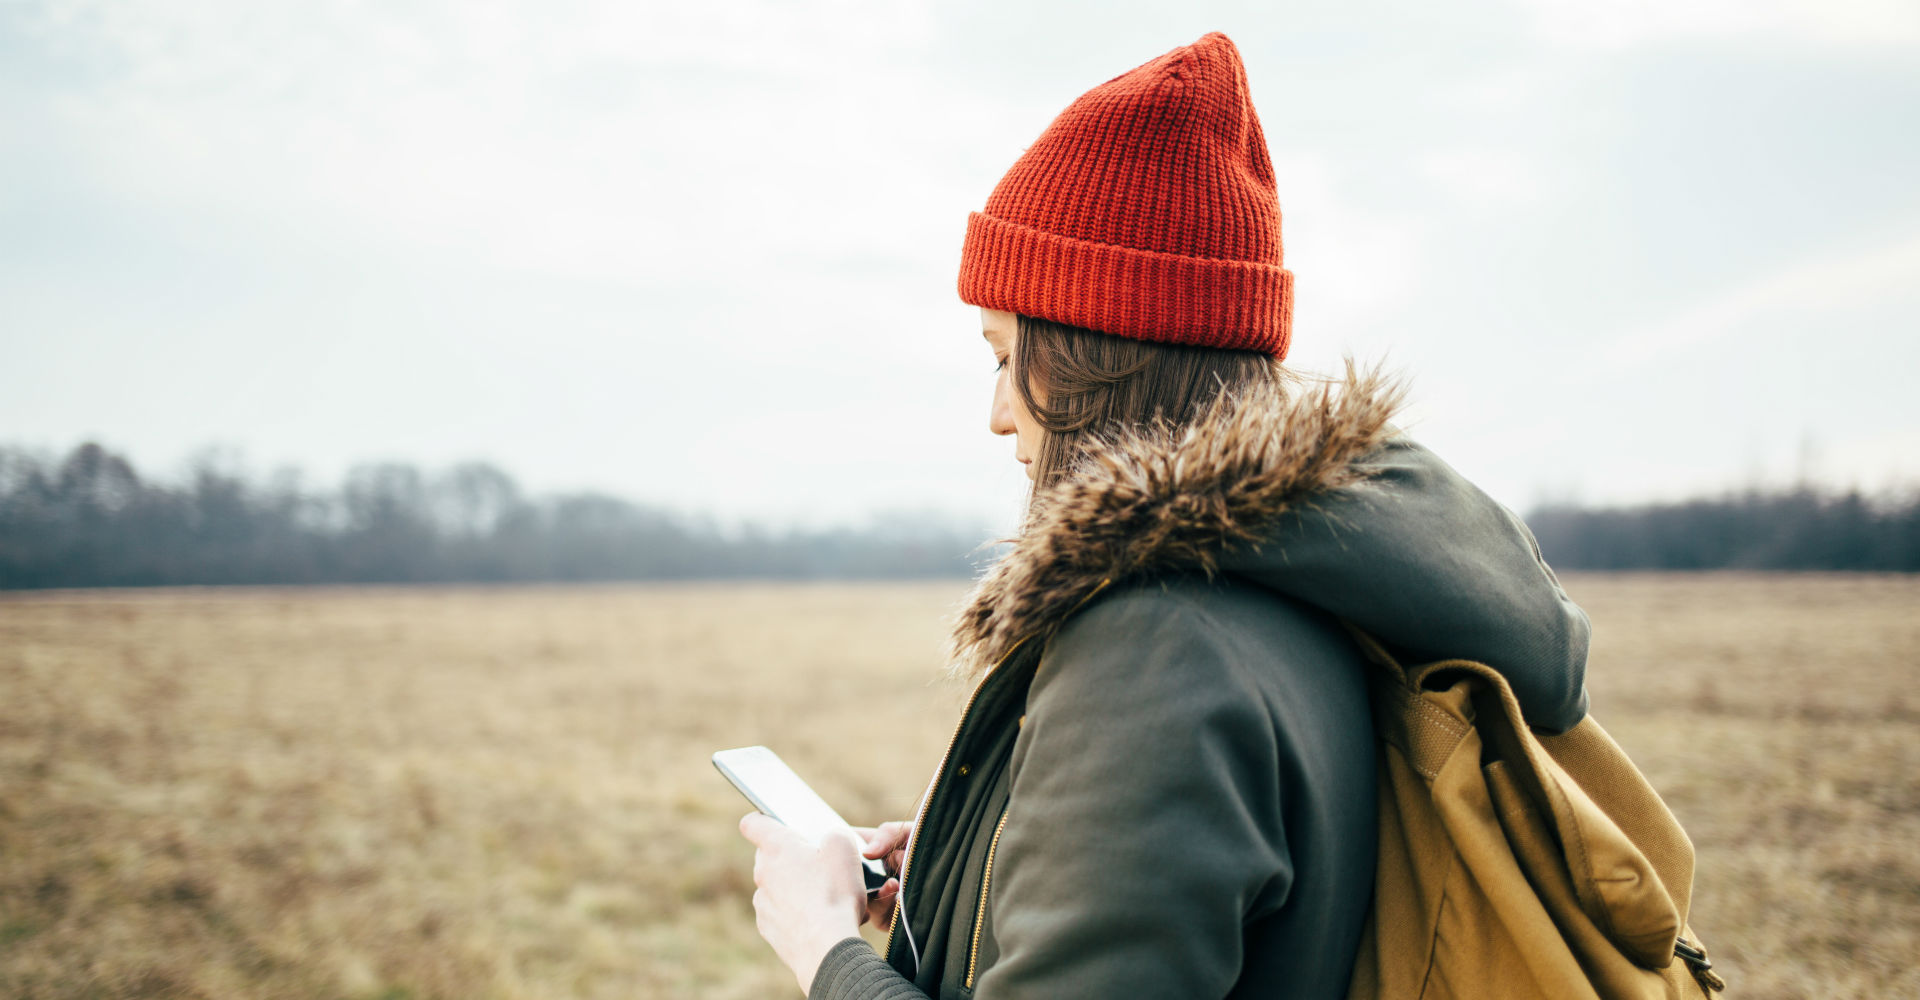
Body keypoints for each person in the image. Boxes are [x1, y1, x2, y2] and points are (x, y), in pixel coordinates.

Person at [736, 31, 1591, 1000]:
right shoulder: (1291, 581)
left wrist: (824, 948)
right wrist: (969, 861)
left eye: (1005, 353)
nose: (997, 411)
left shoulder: (1155, 650)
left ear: (1095, 353)